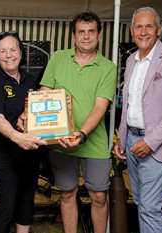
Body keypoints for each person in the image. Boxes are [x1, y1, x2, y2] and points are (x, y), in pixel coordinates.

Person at [34, 11, 117, 233]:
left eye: (91, 32)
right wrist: (38, 121)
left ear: (98, 35)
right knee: (67, 193)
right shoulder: (58, 58)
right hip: (60, 140)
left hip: (94, 142)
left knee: (98, 196)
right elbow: (44, 93)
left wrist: (81, 135)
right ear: (74, 36)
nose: (86, 36)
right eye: (81, 31)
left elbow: (100, 107)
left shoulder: (108, 67)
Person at [114, 7, 162, 232]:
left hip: (155, 145)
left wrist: (151, 141)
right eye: (138, 26)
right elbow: (128, 103)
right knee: (140, 203)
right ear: (131, 30)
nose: (143, 32)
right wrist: (122, 137)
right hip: (131, 142)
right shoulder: (130, 60)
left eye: (149, 26)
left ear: (160, 28)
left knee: (149, 208)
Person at [0, 31, 47, 233]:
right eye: (3, 51)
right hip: (6, 157)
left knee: (26, 204)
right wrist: (16, 135)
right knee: (6, 208)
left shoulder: (30, 80)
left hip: (30, 155)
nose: (9, 55)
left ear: (21, 53)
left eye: (13, 49)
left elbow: (35, 115)